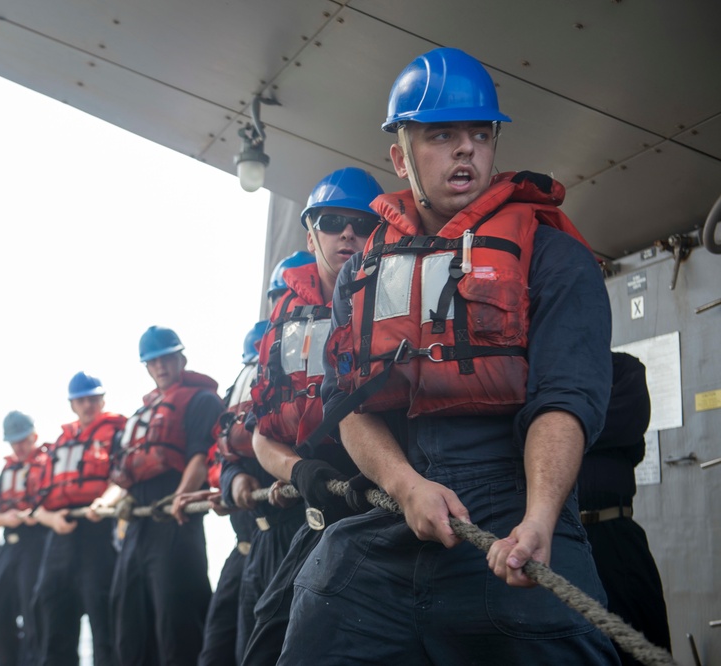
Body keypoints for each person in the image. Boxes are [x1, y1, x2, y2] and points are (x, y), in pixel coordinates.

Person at [278, 47, 619, 664]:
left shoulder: (553, 257)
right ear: (400, 155)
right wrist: (405, 485)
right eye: (441, 135)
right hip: (397, 504)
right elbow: (347, 407)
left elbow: (565, 400)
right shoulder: (362, 274)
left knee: (564, 636)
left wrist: (539, 518)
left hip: (511, 512)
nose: (465, 149)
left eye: (479, 134)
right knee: (312, 607)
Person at [240, 168, 383, 665]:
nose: (348, 233)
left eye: (362, 224)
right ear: (311, 234)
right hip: (317, 504)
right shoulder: (282, 326)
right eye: (332, 221)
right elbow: (263, 435)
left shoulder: (397, 302)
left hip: (386, 507)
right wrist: (298, 470)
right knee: (266, 638)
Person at [108, 325, 224, 665]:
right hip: (138, 524)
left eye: (167, 359)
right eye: (153, 361)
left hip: (175, 519)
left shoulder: (202, 401)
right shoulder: (141, 415)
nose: (160, 366)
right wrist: (113, 502)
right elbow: (124, 472)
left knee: (177, 621)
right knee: (128, 616)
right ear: (146, 367)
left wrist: (181, 496)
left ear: (181, 359)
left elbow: (201, 457)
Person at [579, 352, 672, 665]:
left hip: (615, 537)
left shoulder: (624, 370)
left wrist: (555, 428)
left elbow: (627, 423)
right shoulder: (540, 370)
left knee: (639, 644)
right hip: (557, 537)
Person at [30, 371, 127, 666]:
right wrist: (51, 520)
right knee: (50, 614)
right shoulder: (61, 443)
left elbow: (122, 479)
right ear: (72, 404)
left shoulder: (117, 434)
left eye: (93, 399)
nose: (88, 405)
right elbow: (36, 503)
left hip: (97, 533)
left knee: (104, 621)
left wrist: (102, 503)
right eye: (81, 400)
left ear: (102, 400)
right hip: (59, 537)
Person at [195, 321, 267, 666]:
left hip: (280, 541)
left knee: (256, 651)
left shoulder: (301, 394)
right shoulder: (237, 404)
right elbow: (224, 461)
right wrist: (231, 484)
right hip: (242, 550)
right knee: (215, 650)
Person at [0, 410, 48, 666]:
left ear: (34, 436)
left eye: (23, 440)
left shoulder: (47, 463)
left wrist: (28, 515)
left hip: (37, 544)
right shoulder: (8, 470)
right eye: (14, 442)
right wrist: (8, 517)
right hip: (9, 547)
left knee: (33, 614)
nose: (19, 447)